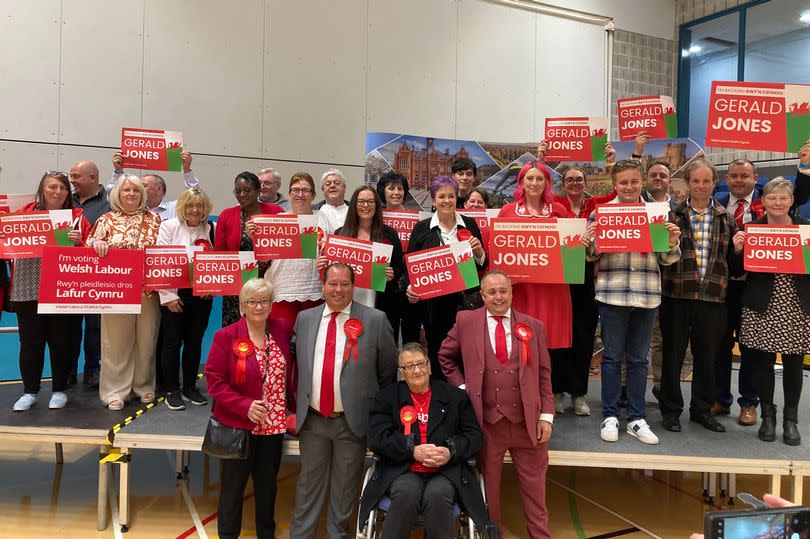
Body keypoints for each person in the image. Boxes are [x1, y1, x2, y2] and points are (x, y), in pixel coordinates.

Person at [439, 270, 554, 538]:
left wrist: (546, 415)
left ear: (512, 293)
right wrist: (464, 387)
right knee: (488, 492)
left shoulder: (533, 326)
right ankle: (493, 535)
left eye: (503, 291)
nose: (498, 297)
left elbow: (544, 374)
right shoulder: (465, 321)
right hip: (486, 425)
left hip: (528, 425)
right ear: (482, 295)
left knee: (536, 492)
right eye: (491, 292)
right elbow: (445, 356)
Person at [290, 263, 397, 538]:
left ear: (353, 286)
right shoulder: (305, 319)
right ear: (323, 285)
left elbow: (387, 373)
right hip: (313, 420)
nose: (338, 289)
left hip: (352, 424)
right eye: (333, 283)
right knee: (307, 489)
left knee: (344, 491)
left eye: (344, 284)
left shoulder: (375, 320)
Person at [583, 160, 682, 445]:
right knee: (612, 358)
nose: (628, 187)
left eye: (634, 182)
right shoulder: (602, 214)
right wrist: (590, 240)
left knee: (640, 360)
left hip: (647, 294)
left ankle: (637, 418)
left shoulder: (657, 214)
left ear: (642, 182)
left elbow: (667, 259)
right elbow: (591, 256)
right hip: (612, 294)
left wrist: (672, 241)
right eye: (623, 182)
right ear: (615, 185)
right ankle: (611, 415)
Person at [359, 342, 492, 539]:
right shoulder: (387, 398)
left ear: (429, 366)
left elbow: (473, 436)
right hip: (403, 470)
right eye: (409, 366)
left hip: (445, 472)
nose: (417, 370)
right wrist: (411, 450)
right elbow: (376, 438)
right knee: (406, 494)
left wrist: (450, 451)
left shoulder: (455, 397)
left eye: (421, 363)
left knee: (437, 496)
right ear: (401, 372)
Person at [204, 278, 294, 539]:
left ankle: (267, 534)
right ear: (242, 306)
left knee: (267, 489)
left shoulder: (281, 328)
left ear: (271, 304)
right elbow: (215, 382)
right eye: (252, 301)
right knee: (232, 490)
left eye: (264, 301)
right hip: (238, 425)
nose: (258, 306)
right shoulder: (226, 336)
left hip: (273, 425)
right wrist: (245, 406)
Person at [658, 159, 737, 433]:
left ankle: (701, 410)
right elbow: (662, 257)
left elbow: (730, 262)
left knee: (707, 357)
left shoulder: (726, 218)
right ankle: (670, 410)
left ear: (715, 183)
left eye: (706, 181)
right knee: (673, 354)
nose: (701, 186)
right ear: (688, 184)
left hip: (713, 299)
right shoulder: (672, 216)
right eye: (695, 181)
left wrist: (739, 250)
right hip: (676, 295)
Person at [734, 178, 810, 446]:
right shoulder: (751, 228)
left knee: (793, 364)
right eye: (772, 198)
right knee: (762, 363)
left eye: (783, 198)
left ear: (791, 201)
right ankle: (768, 416)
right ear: (763, 201)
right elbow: (737, 270)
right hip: (761, 302)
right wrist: (738, 249)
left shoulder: (806, 229)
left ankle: (791, 420)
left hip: (796, 304)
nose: (778, 203)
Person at [9, 172, 91, 411]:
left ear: (68, 192)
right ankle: (29, 391)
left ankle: (59, 390)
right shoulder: (23, 214)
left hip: (62, 287)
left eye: (63, 188)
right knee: (30, 342)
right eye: (52, 187)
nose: (58, 192)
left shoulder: (77, 218)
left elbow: (90, 251)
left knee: (61, 341)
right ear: (42, 190)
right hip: (28, 285)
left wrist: (80, 242)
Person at [497, 161, 573, 413]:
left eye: (540, 179)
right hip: (522, 290)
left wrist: (580, 240)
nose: (534, 183)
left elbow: (570, 246)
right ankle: (518, 401)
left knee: (547, 347)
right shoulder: (507, 211)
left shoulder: (560, 211)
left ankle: (544, 403)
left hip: (552, 290)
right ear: (521, 182)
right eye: (529, 178)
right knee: (520, 346)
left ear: (547, 183)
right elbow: (498, 251)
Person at [89, 175, 162, 410]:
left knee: (146, 340)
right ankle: (114, 390)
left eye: (136, 190)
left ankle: (143, 385)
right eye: (126, 190)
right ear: (117, 194)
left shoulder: (154, 219)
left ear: (142, 194)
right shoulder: (106, 220)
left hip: (149, 290)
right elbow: (90, 245)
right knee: (115, 343)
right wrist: (97, 245)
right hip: (117, 292)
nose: (131, 194)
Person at [406, 176, 487, 380]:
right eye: (441, 196)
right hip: (434, 306)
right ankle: (441, 399)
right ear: (433, 200)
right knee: (439, 351)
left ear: (457, 198)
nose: (447, 201)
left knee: (467, 352)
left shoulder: (469, 224)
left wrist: (478, 253)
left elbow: (483, 264)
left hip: (465, 303)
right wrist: (409, 287)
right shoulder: (422, 229)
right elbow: (411, 267)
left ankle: (466, 397)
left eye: (451, 196)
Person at [712, 158, 763, 425]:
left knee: (750, 347)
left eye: (744, 175)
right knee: (720, 346)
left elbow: (799, 196)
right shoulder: (716, 202)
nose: (738, 180)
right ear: (726, 178)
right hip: (722, 286)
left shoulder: (769, 201)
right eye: (733, 176)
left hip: (754, 288)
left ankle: (749, 403)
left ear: (755, 177)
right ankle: (720, 399)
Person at [157, 188, 216, 411]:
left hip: (202, 296)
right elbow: (161, 262)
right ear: (182, 206)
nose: (195, 209)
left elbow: (216, 263)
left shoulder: (212, 228)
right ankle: (171, 388)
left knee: (194, 342)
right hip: (175, 293)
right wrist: (169, 296)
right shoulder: (169, 226)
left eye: (199, 206)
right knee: (172, 343)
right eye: (190, 205)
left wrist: (210, 286)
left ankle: (190, 386)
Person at [247, 172, 328, 330]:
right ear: (289, 194)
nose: (300, 194)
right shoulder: (277, 219)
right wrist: (254, 238)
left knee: (310, 340)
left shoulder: (323, 218)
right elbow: (264, 258)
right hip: (283, 288)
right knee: (282, 339)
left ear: (313, 195)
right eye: (296, 190)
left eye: (305, 190)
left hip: (314, 288)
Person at [554, 166, 598, 416]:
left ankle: (579, 394)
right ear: (563, 183)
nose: (574, 183)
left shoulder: (595, 205)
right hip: (559, 276)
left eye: (579, 179)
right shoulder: (555, 205)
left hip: (585, 276)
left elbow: (619, 189)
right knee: (558, 336)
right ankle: (557, 391)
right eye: (569, 179)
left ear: (585, 181)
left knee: (583, 336)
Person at [321, 186, 403, 315]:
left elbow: (399, 267)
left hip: (380, 303)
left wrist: (392, 274)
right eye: (361, 201)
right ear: (354, 205)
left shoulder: (390, 234)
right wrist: (322, 264)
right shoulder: (340, 234)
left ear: (376, 205)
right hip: (345, 300)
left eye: (371, 201)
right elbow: (331, 270)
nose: (366, 205)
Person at [214, 172, 283, 326]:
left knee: (263, 330)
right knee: (235, 333)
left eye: (247, 190)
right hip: (236, 288)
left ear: (258, 190)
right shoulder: (227, 215)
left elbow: (283, 249)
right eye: (238, 191)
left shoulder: (276, 212)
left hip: (266, 284)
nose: (242, 194)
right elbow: (219, 253)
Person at [69, 159, 109, 388]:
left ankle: (93, 369)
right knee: (69, 326)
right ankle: (69, 370)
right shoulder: (66, 201)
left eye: (76, 176)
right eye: (71, 176)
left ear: (92, 177)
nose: (72, 180)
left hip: (97, 276)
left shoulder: (109, 203)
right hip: (68, 275)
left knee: (95, 327)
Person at [376, 171, 417, 343]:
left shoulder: (417, 219)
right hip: (386, 286)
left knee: (411, 334)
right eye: (391, 188)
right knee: (387, 335)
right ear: (383, 192)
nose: (396, 192)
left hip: (411, 284)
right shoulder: (376, 220)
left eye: (400, 188)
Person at [110, 150, 198, 220]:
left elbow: (194, 196)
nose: (139, 189)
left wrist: (187, 170)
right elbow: (113, 196)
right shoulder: (132, 208)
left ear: (159, 189)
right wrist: (118, 171)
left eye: (144, 186)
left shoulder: (175, 208)